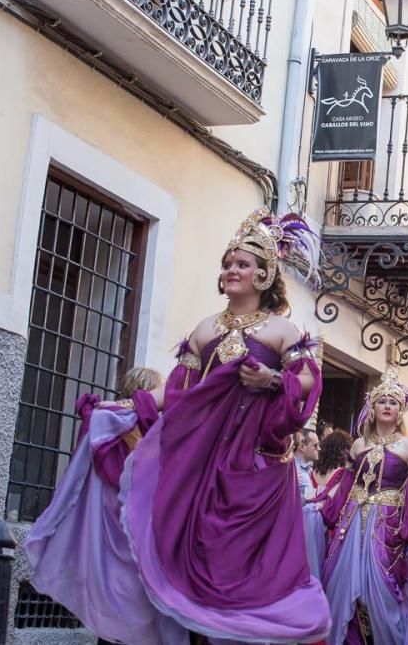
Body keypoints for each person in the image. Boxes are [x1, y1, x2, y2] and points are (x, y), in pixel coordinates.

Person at [116, 207, 331, 643]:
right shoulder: (204, 328)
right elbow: (179, 390)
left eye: (243, 264)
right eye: (228, 263)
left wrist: (272, 380)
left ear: (265, 275)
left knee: (243, 569)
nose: (232, 269)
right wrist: (125, 405)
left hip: (256, 472)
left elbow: (308, 381)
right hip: (202, 465)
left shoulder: (281, 330)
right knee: (192, 554)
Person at [25, 366, 181, 645]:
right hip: (133, 551)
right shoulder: (137, 439)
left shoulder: (103, 435)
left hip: (108, 552)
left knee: (112, 624)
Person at [319, 368, 408, 644]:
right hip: (351, 523)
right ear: (372, 407)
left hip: (386, 526)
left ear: (400, 411)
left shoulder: (407, 447)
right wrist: (323, 505)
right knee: (341, 585)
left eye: (393, 402)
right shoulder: (359, 445)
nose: (387, 406)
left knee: (384, 590)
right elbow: (345, 487)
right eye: (382, 401)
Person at [296, 427, 322, 502]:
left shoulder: (307, 469)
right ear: (302, 447)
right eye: (315, 445)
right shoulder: (295, 471)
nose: (319, 448)